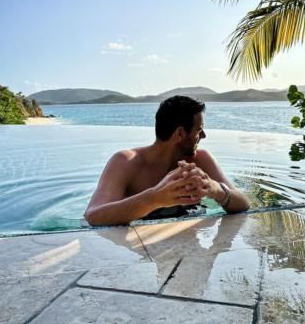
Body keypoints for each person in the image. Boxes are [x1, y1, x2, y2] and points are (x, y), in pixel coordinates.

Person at [84, 95, 250, 226]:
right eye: (199, 130)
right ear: (179, 133)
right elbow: (93, 215)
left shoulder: (201, 159)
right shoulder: (126, 162)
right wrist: (154, 198)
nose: (204, 136)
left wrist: (216, 190)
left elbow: (243, 203)